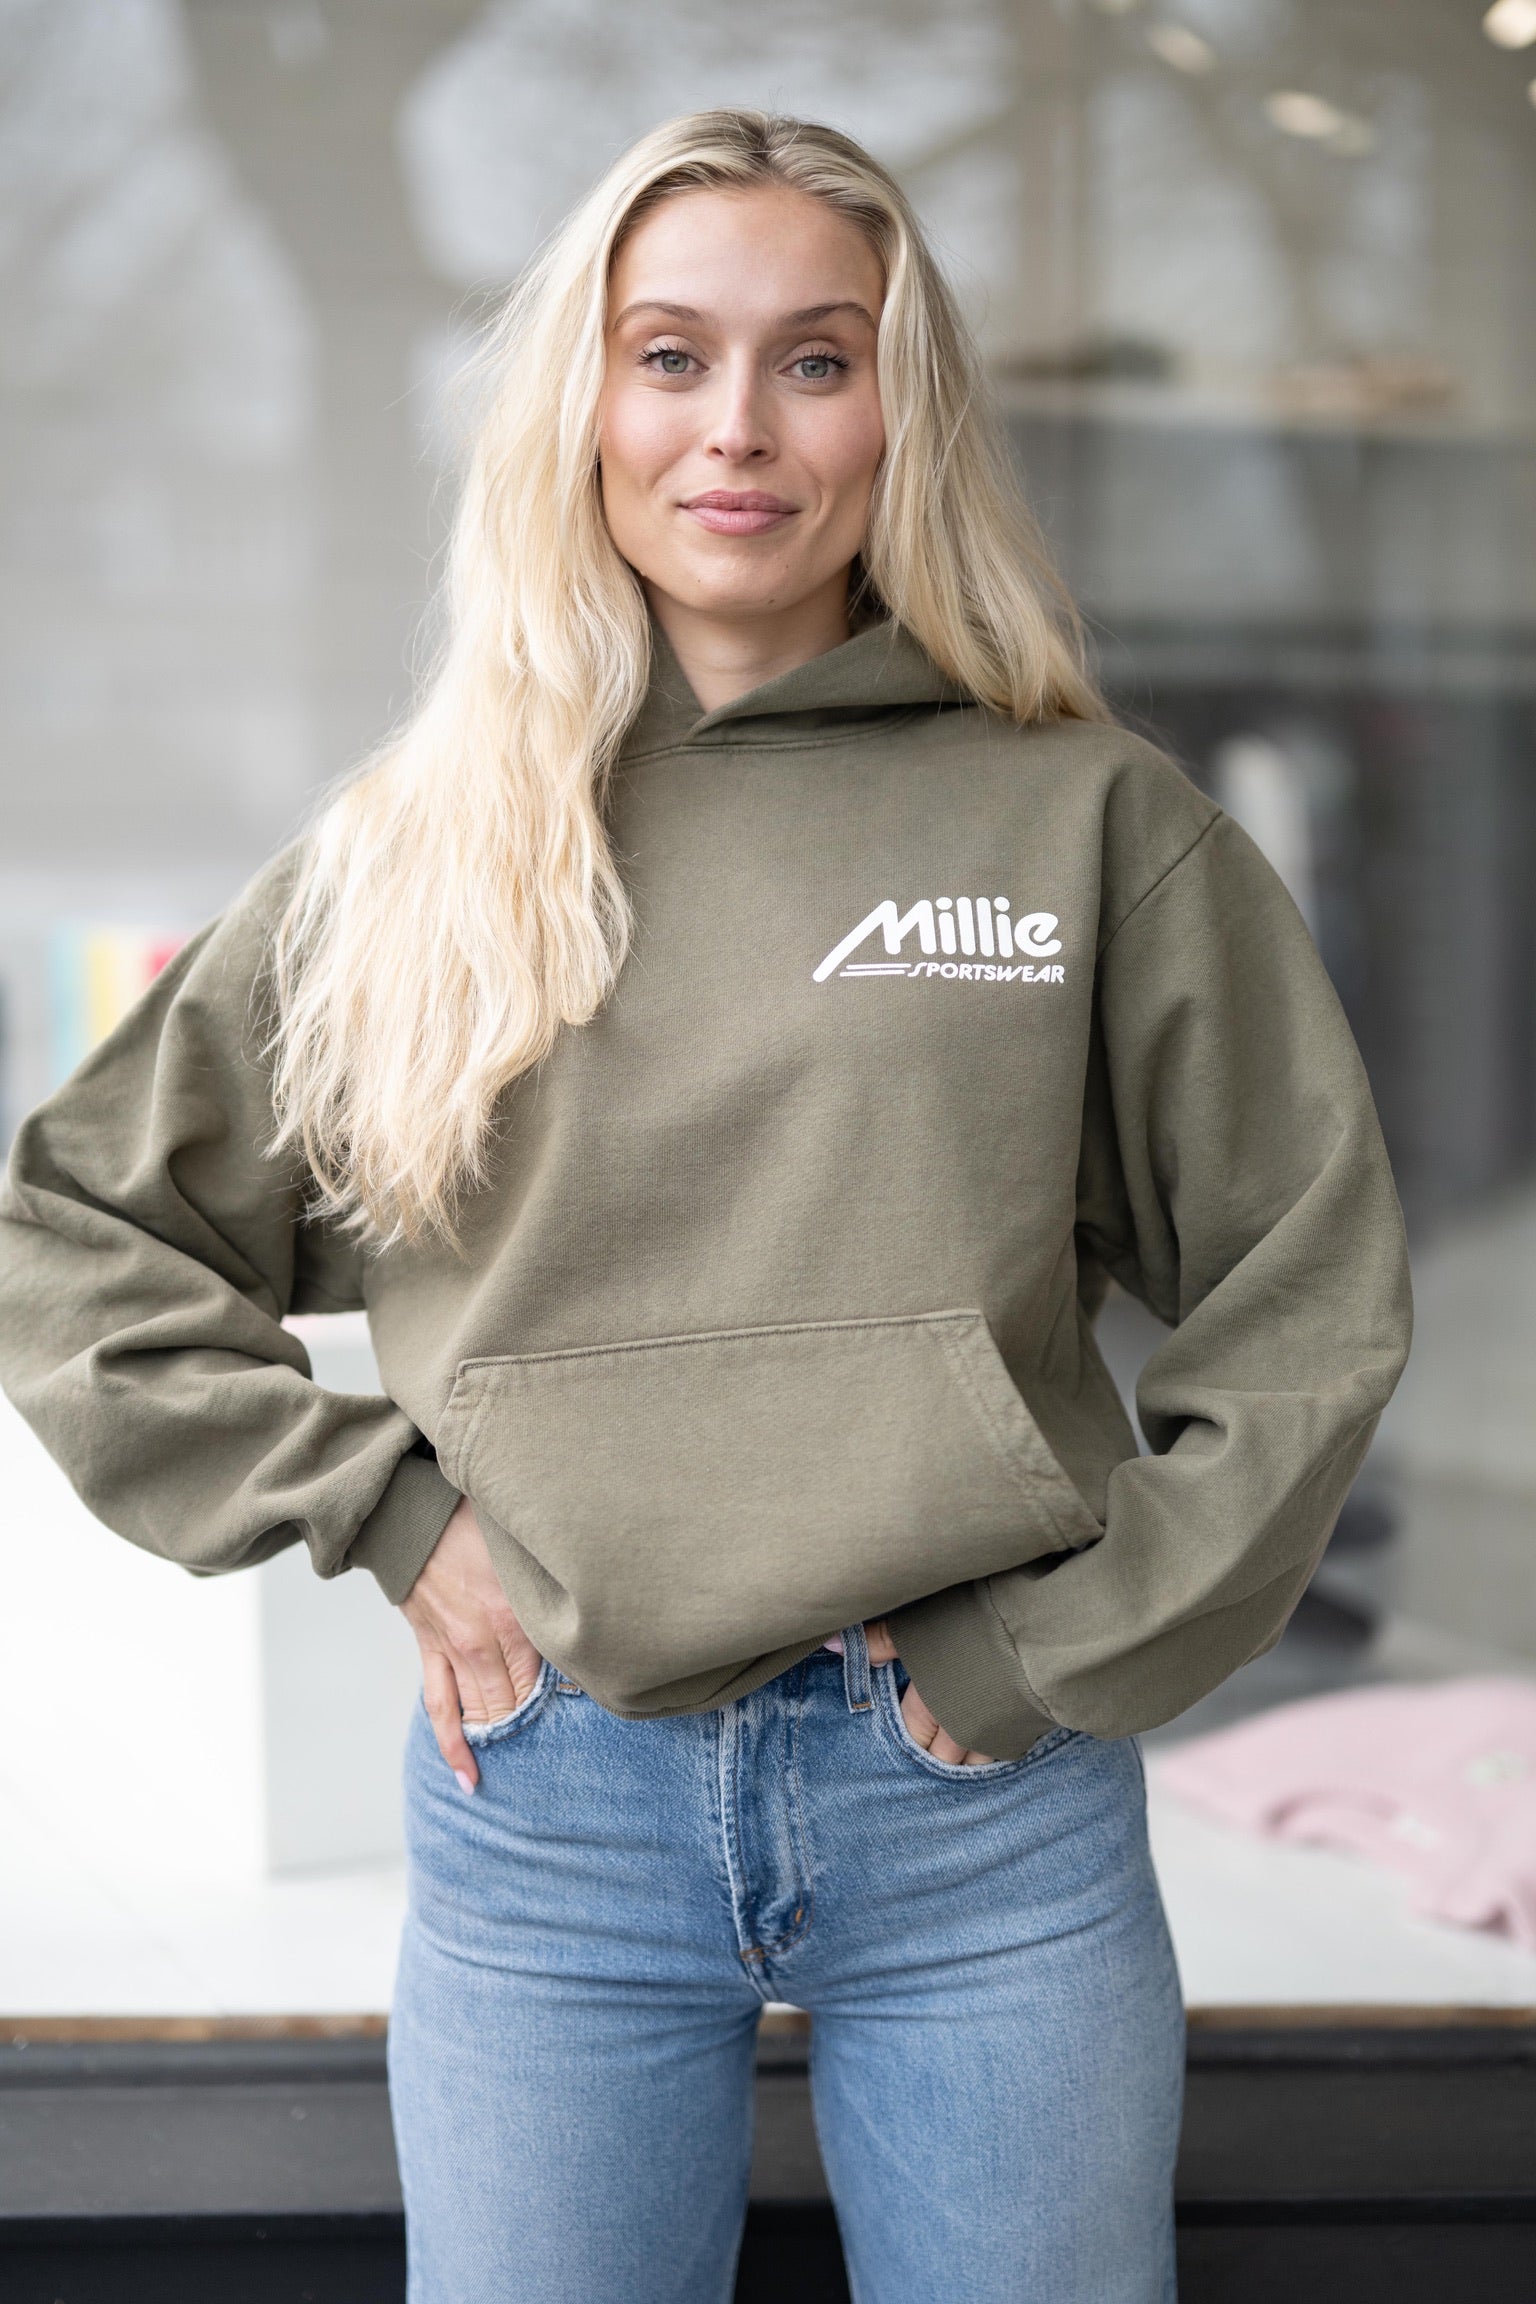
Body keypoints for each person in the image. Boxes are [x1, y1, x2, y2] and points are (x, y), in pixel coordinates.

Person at [0, 109, 1411, 2304]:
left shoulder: (1085, 825)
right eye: (668, 355)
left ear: (898, 415)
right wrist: (384, 1512)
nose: (735, 425)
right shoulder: (415, 851)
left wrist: (1053, 1653)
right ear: (585, 403)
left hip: (982, 1811)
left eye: (815, 360)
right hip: (552, 1805)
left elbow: (1304, 1296)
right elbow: (76, 1232)